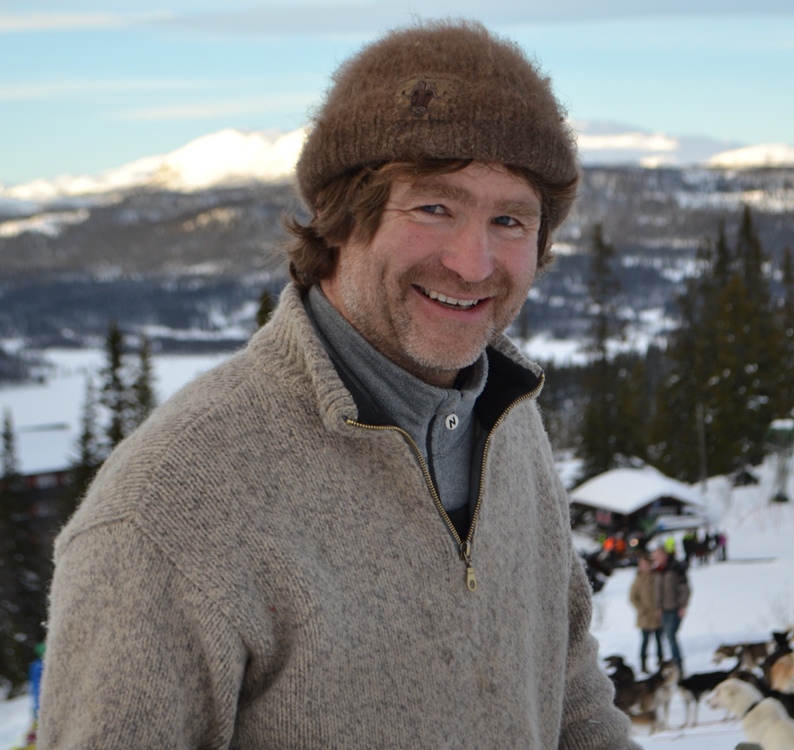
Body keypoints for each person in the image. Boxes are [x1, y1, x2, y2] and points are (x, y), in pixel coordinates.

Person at [39, 20, 639, 750]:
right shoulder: (169, 510)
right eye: (434, 207)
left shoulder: (504, 416)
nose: (473, 263)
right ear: (341, 216)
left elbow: (567, 687)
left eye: (510, 219)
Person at [653, 545, 690, 677]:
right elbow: (657, 591)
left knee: (671, 636)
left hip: (674, 608)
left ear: (664, 555)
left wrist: (682, 606)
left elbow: (685, 589)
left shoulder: (676, 568)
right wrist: (658, 607)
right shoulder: (658, 570)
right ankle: (666, 663)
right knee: (665, 637)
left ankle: (679, 665)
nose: (656, 558)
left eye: (658, 555)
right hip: (663, 609)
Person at [629, 553, 664, 673]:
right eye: (642, 565)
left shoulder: (657, 577)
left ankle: (661, 663)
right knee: (645, 641)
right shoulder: (638, 580)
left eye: (646, 564)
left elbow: (662, 593)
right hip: (644, 617)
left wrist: (660, 608)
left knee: (659, 641)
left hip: (657, 615)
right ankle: (643, 664)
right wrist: (642, 609)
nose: (644, 567)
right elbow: (633, 597)